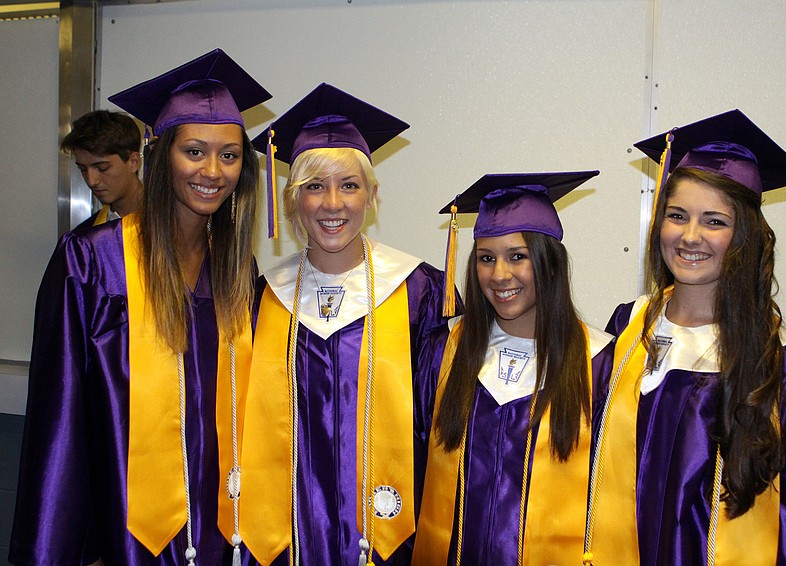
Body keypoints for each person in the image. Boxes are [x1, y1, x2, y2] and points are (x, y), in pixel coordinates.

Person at [9, 48, 271, 566]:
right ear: (159, 153)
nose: (212, 171)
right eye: (194, 151)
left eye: (229, 155)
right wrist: (62, 548)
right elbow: (59, 420)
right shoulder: (92, 264)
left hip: (223, 532)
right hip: (121, 535)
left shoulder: (239, 273)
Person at [584, 109, 786, 565]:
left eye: (714, 221)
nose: (690, 236)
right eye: (676, 215)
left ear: (744, 237)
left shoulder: (785, 371)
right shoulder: (626, 331)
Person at [238, 83, 456, 566]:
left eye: (349, 185)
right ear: (292, 200)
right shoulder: (262, 296)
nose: (332, 203)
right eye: (314, 186)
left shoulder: (419, 292)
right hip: (289, 539)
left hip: (389, 535)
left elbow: (441, 428)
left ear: (372, 195)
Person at [411, 172, 615, 565]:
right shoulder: (445, 354)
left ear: (548, 263)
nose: (500, 275)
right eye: (487, 258)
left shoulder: (597, 365)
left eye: (517, 256)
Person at [61, 109, 144, 227]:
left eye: (102, 168)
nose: (91, 181)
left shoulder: (173, 223)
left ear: (133, 162)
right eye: (83, 169)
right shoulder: (85, 239)